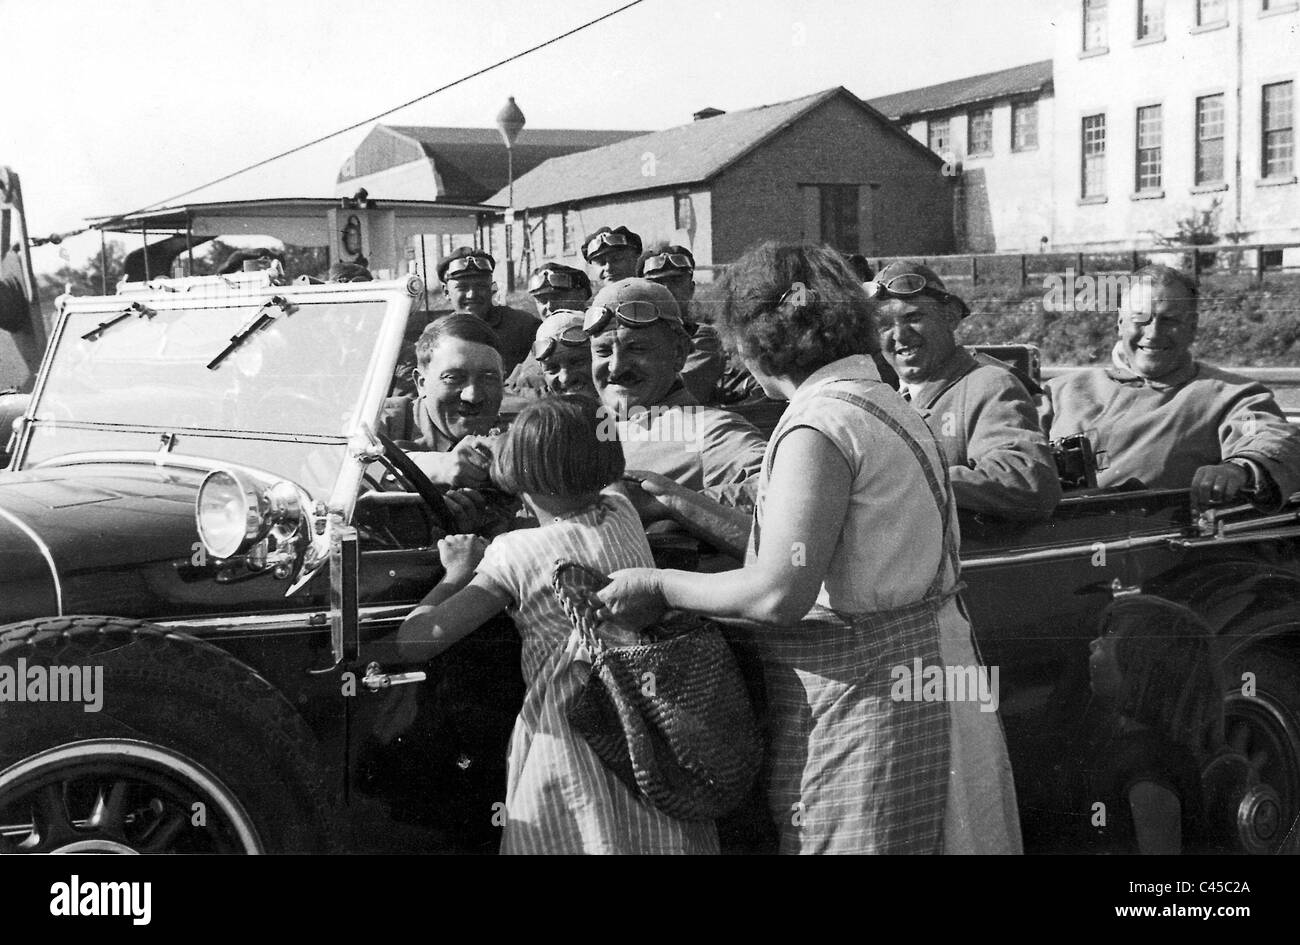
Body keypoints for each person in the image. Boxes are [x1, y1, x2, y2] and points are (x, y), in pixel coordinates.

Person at [597, 242, 1022, 855]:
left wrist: (658, 585)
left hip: (873, 699)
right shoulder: (880, 401)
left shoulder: (815, 424)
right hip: (927, 673)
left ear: (754, 341)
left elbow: (778, 594)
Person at [395, 396, 719, 854]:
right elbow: (574, 521)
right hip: (652, 721)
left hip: (572, 734)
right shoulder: (620, 509)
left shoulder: (512, 553)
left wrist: (456, 572)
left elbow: (415, 641)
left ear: (519, 472)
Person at [1042, 265, 1300, 509]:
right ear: (1120, 323)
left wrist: (1238, 469)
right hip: (1049, 539)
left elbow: (1265, 434)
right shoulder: (1061, 391)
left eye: (1169, 320)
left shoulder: (1231, 396)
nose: (1153, 333)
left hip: (1155, 545)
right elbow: (1010, 444)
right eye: (1141, 319)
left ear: (1193, 327)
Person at [871, 260, 1061, 521]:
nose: (899, 335)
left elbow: (1025, 479)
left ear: (949, 318)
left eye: (913, 317)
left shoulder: (987, 384)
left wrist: (905, 483)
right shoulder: (886, 403)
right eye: (884, 326)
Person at [586, 277, 766, 510]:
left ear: (679, 353)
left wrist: (668, 501)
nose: (616, 367)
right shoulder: (589, 425)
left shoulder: (708, 431)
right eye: (602, 351)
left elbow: (777, 489)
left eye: (637, 349)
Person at [1081, 597, 1223, 854]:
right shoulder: (1139, 749)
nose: (1093, 645)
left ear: (1138, 672)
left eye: (1105, 642)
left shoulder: (1149, 771)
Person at [378, 314, 503, 490]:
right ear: (421, 383)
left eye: (489, 378)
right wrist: (439, 467)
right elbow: (350, 469)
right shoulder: (383, 421)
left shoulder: (517, 430)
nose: (472, 396)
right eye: (453, 378)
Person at [637, 245, 726, 404]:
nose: (667, 290)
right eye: (656, 283)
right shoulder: (629, 335)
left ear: (691, 289)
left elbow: (683, 389)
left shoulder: (702, 337)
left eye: (676, 281)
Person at [437, 247, 539, 376]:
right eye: (462, 287)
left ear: (491, 288)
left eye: (481, 286)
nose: (472, 295)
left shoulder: (524, 327)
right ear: (446, 292)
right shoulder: (438, 335)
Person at [505, 264, 593, 396]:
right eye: (542, 300)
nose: (550, 306)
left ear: (582, 294)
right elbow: (511, 391)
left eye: (557, 296)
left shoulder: (603, 337)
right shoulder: (539, 346)